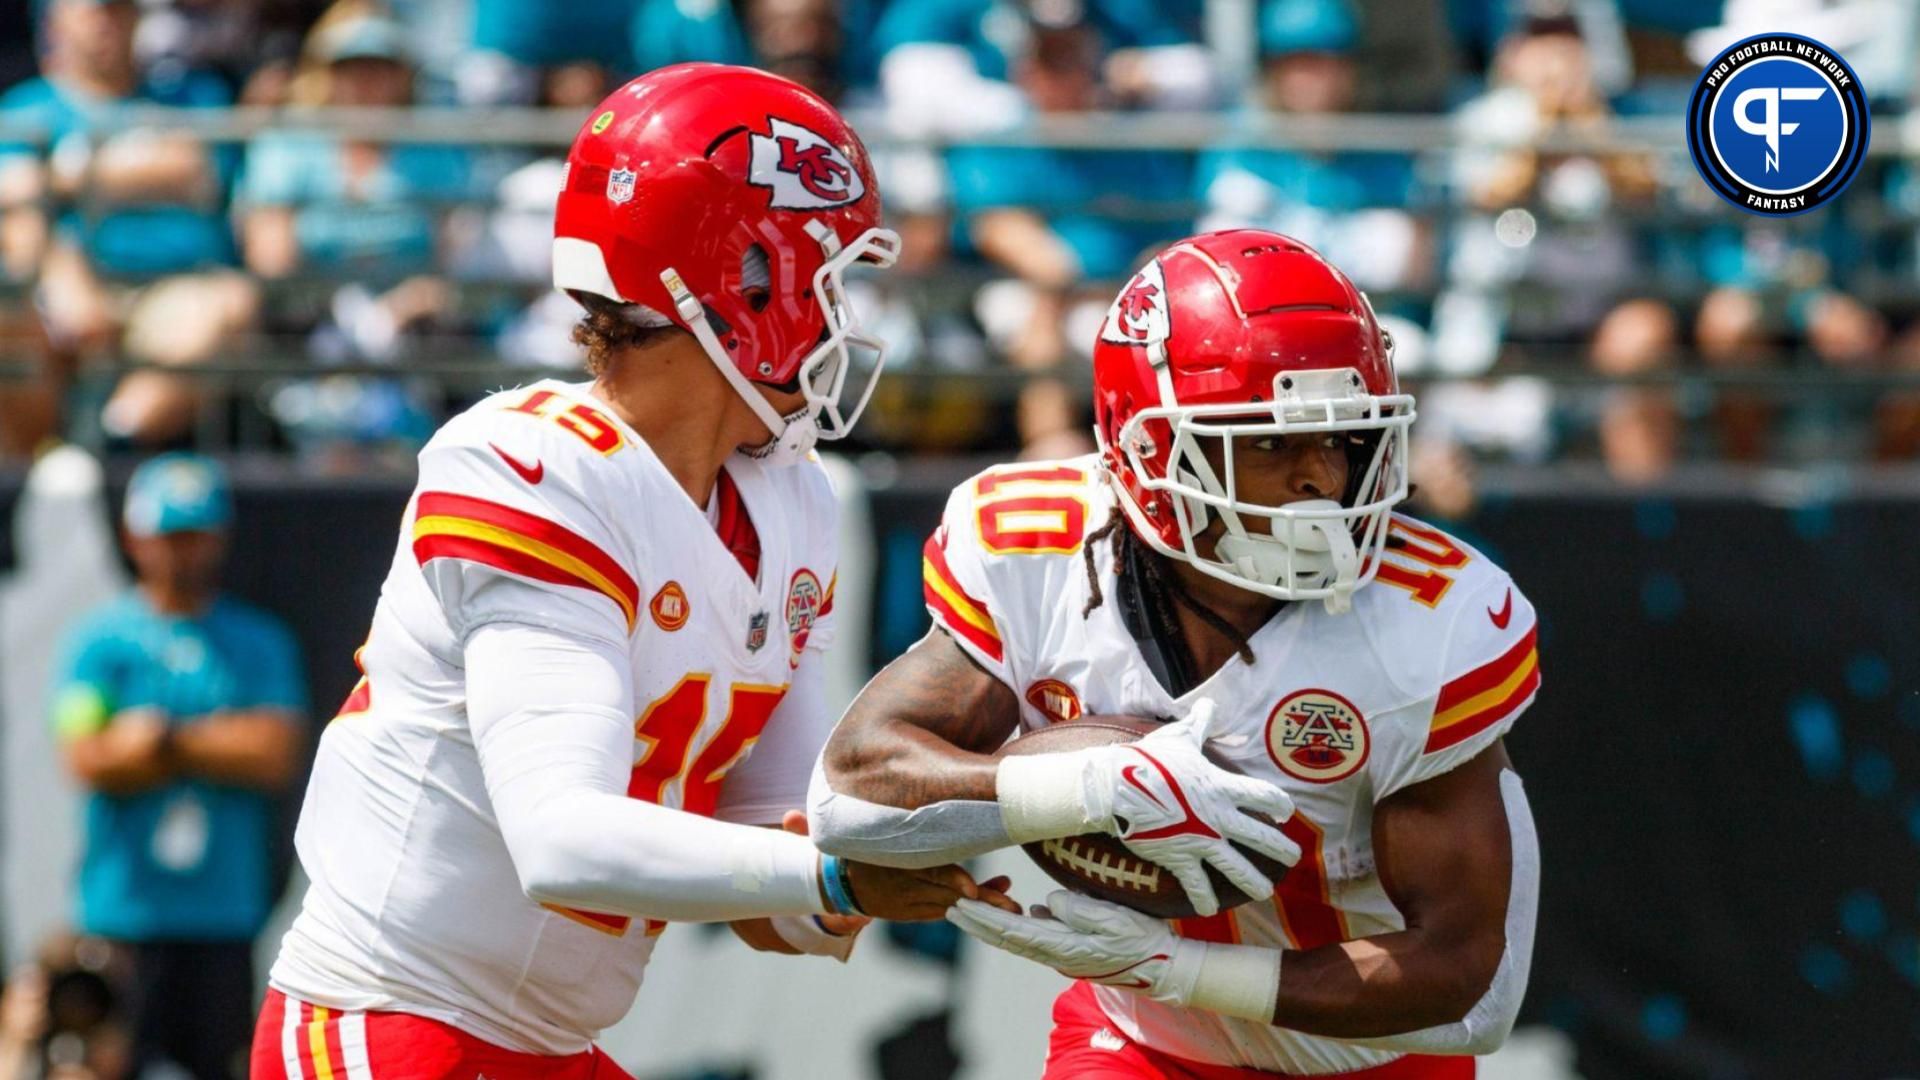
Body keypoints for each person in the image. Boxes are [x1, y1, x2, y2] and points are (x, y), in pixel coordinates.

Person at [252, 64, 1013, 1079]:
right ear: (742, 286)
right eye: (831, 282)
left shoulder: (791, 500)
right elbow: (563, 844)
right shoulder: (531, 471)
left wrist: (955, 845)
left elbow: (773, 877)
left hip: (557, 1043)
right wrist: (835, 874)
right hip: (394, 1019)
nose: (845, 320)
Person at [810, 229, 1541, 1078]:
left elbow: (1473, 982)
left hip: (1367, 1061)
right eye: (1270, 441)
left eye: (1341, 439)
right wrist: (1081, 787)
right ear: (1148, 451)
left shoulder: (1430, 622)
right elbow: (849, 797)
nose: (1321, 480)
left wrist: (1180, 970)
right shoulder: (1034, 551)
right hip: (1135, 1046)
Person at [49, 452, 306, 1080]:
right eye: (169, 535)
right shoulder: (99, 642)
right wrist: (211, 745)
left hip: (221, 914)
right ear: (135, 538)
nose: (182, 553)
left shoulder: (259, 641)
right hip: (120, 914)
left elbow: (274, 753)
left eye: (195, 535)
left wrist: (160, 742)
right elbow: (85, 756)